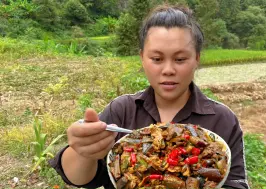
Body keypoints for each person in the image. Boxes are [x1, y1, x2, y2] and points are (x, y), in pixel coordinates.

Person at [49, 4, 250, 189]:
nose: (168, 69)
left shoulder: (223, 119)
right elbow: (80, 178)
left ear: (196, 59)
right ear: (142, 58)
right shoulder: (122, 110)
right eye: (157, 59)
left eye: (180, 59)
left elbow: (236, 183)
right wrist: (83, 150)